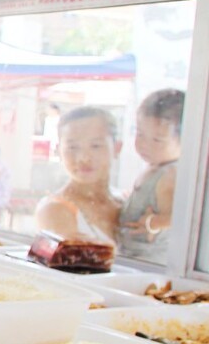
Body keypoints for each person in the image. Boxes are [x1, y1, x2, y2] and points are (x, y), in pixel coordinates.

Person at [34, 106, 122, 242]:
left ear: (117, 148)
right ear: (59, 151)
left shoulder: (127, 202)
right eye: (73, 147)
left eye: (96, 146)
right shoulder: (54, 210)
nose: (84, 158)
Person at [118, 89, 184, 259]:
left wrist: (152, 223)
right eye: (140, 134)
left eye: (157, 140)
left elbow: (181, 218)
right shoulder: (157, 166)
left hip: (150, 259)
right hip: (134, 255)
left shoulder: (171, 174)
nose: (145, 144)